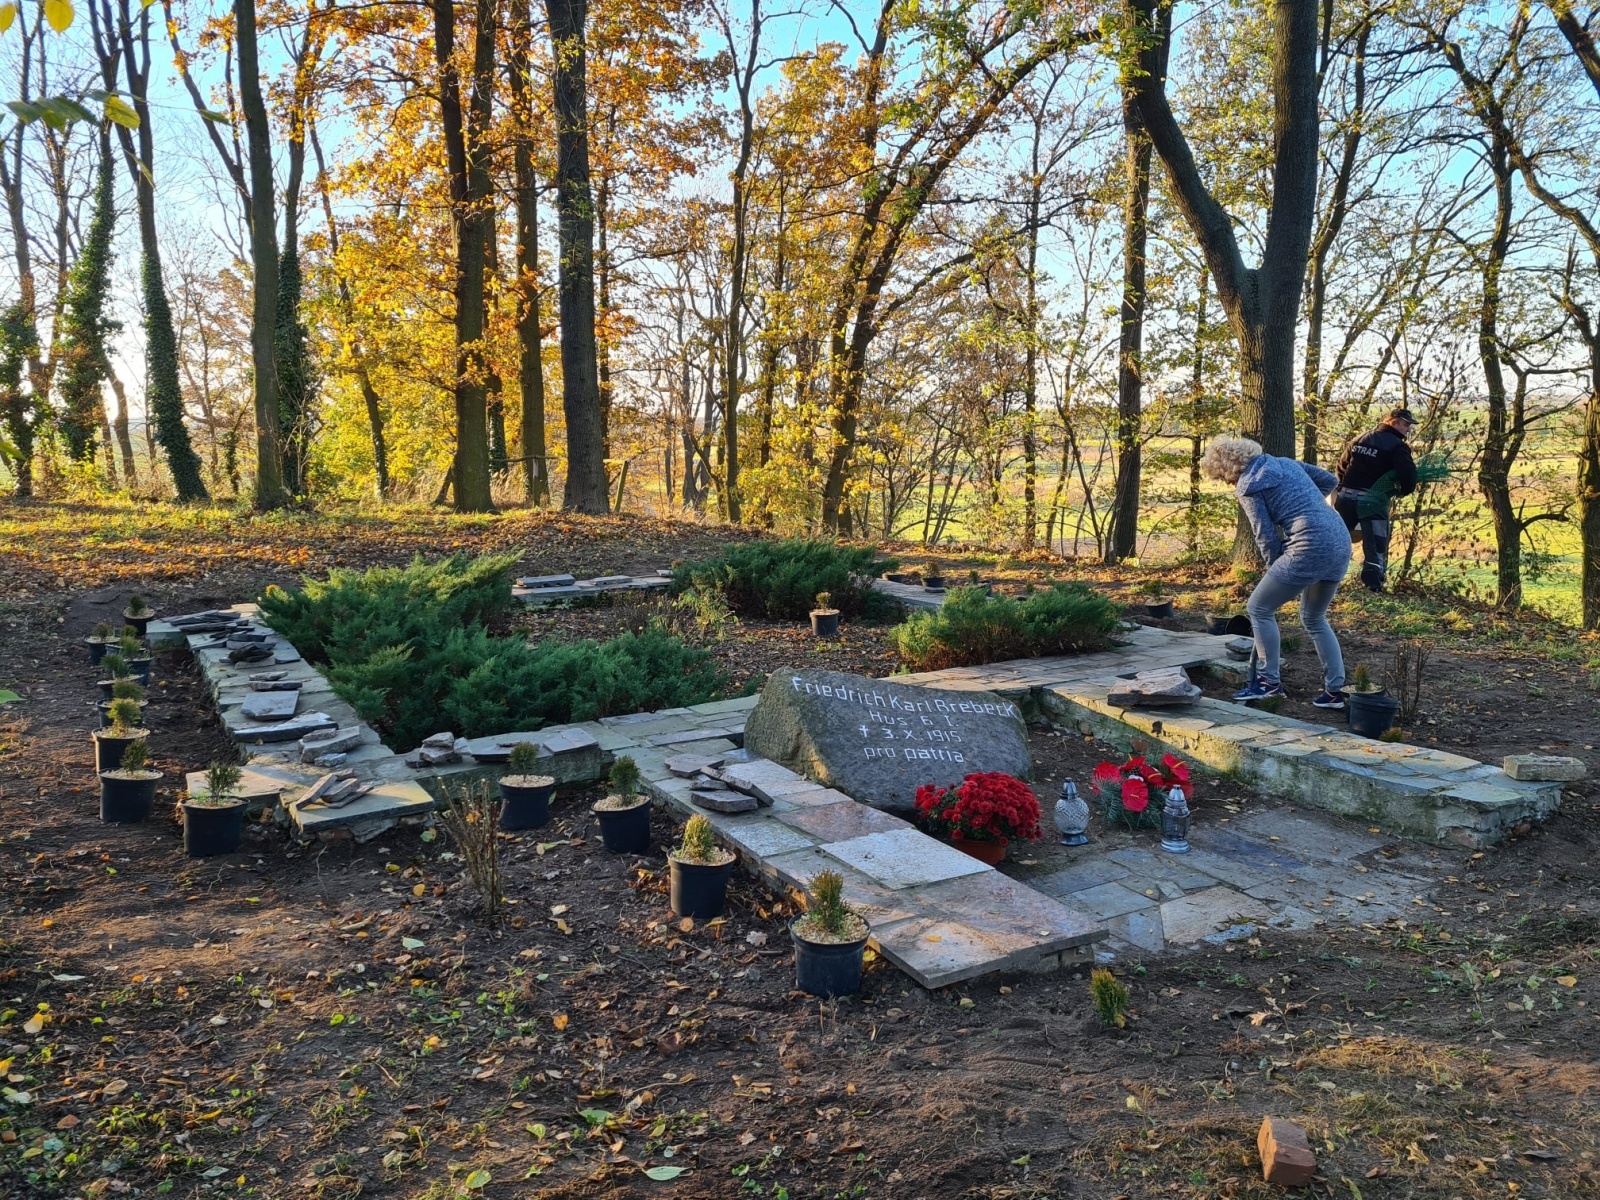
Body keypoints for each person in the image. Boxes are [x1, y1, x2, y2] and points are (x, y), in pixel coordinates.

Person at [1201, 435, 1351, 708]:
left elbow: (1265, 534)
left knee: (1259, 608)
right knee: (1315, 618)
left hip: (1308, 545)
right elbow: (1330, 480)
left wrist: (1273, 562)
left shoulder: (1248, 485)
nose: (1226, 483)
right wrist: (1305, 504)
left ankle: (1269, 683)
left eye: (1222, 477)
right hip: (1340, 540)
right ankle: (1335, 692)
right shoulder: (1286, 464)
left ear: (1226, 470)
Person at [1333, 407, 1418, 592]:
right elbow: (1409, 475)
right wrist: (1402, 491)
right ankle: (1373, 586)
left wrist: (1340, 490)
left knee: (1338, 539)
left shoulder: (1360, 437)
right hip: (1372, 501)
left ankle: (1327, 580)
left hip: (1345, 498)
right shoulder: (1397, 446)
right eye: (1406, 424)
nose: (1408, 429)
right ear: (1393, 422)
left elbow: (1341, 466)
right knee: (1376, 544)